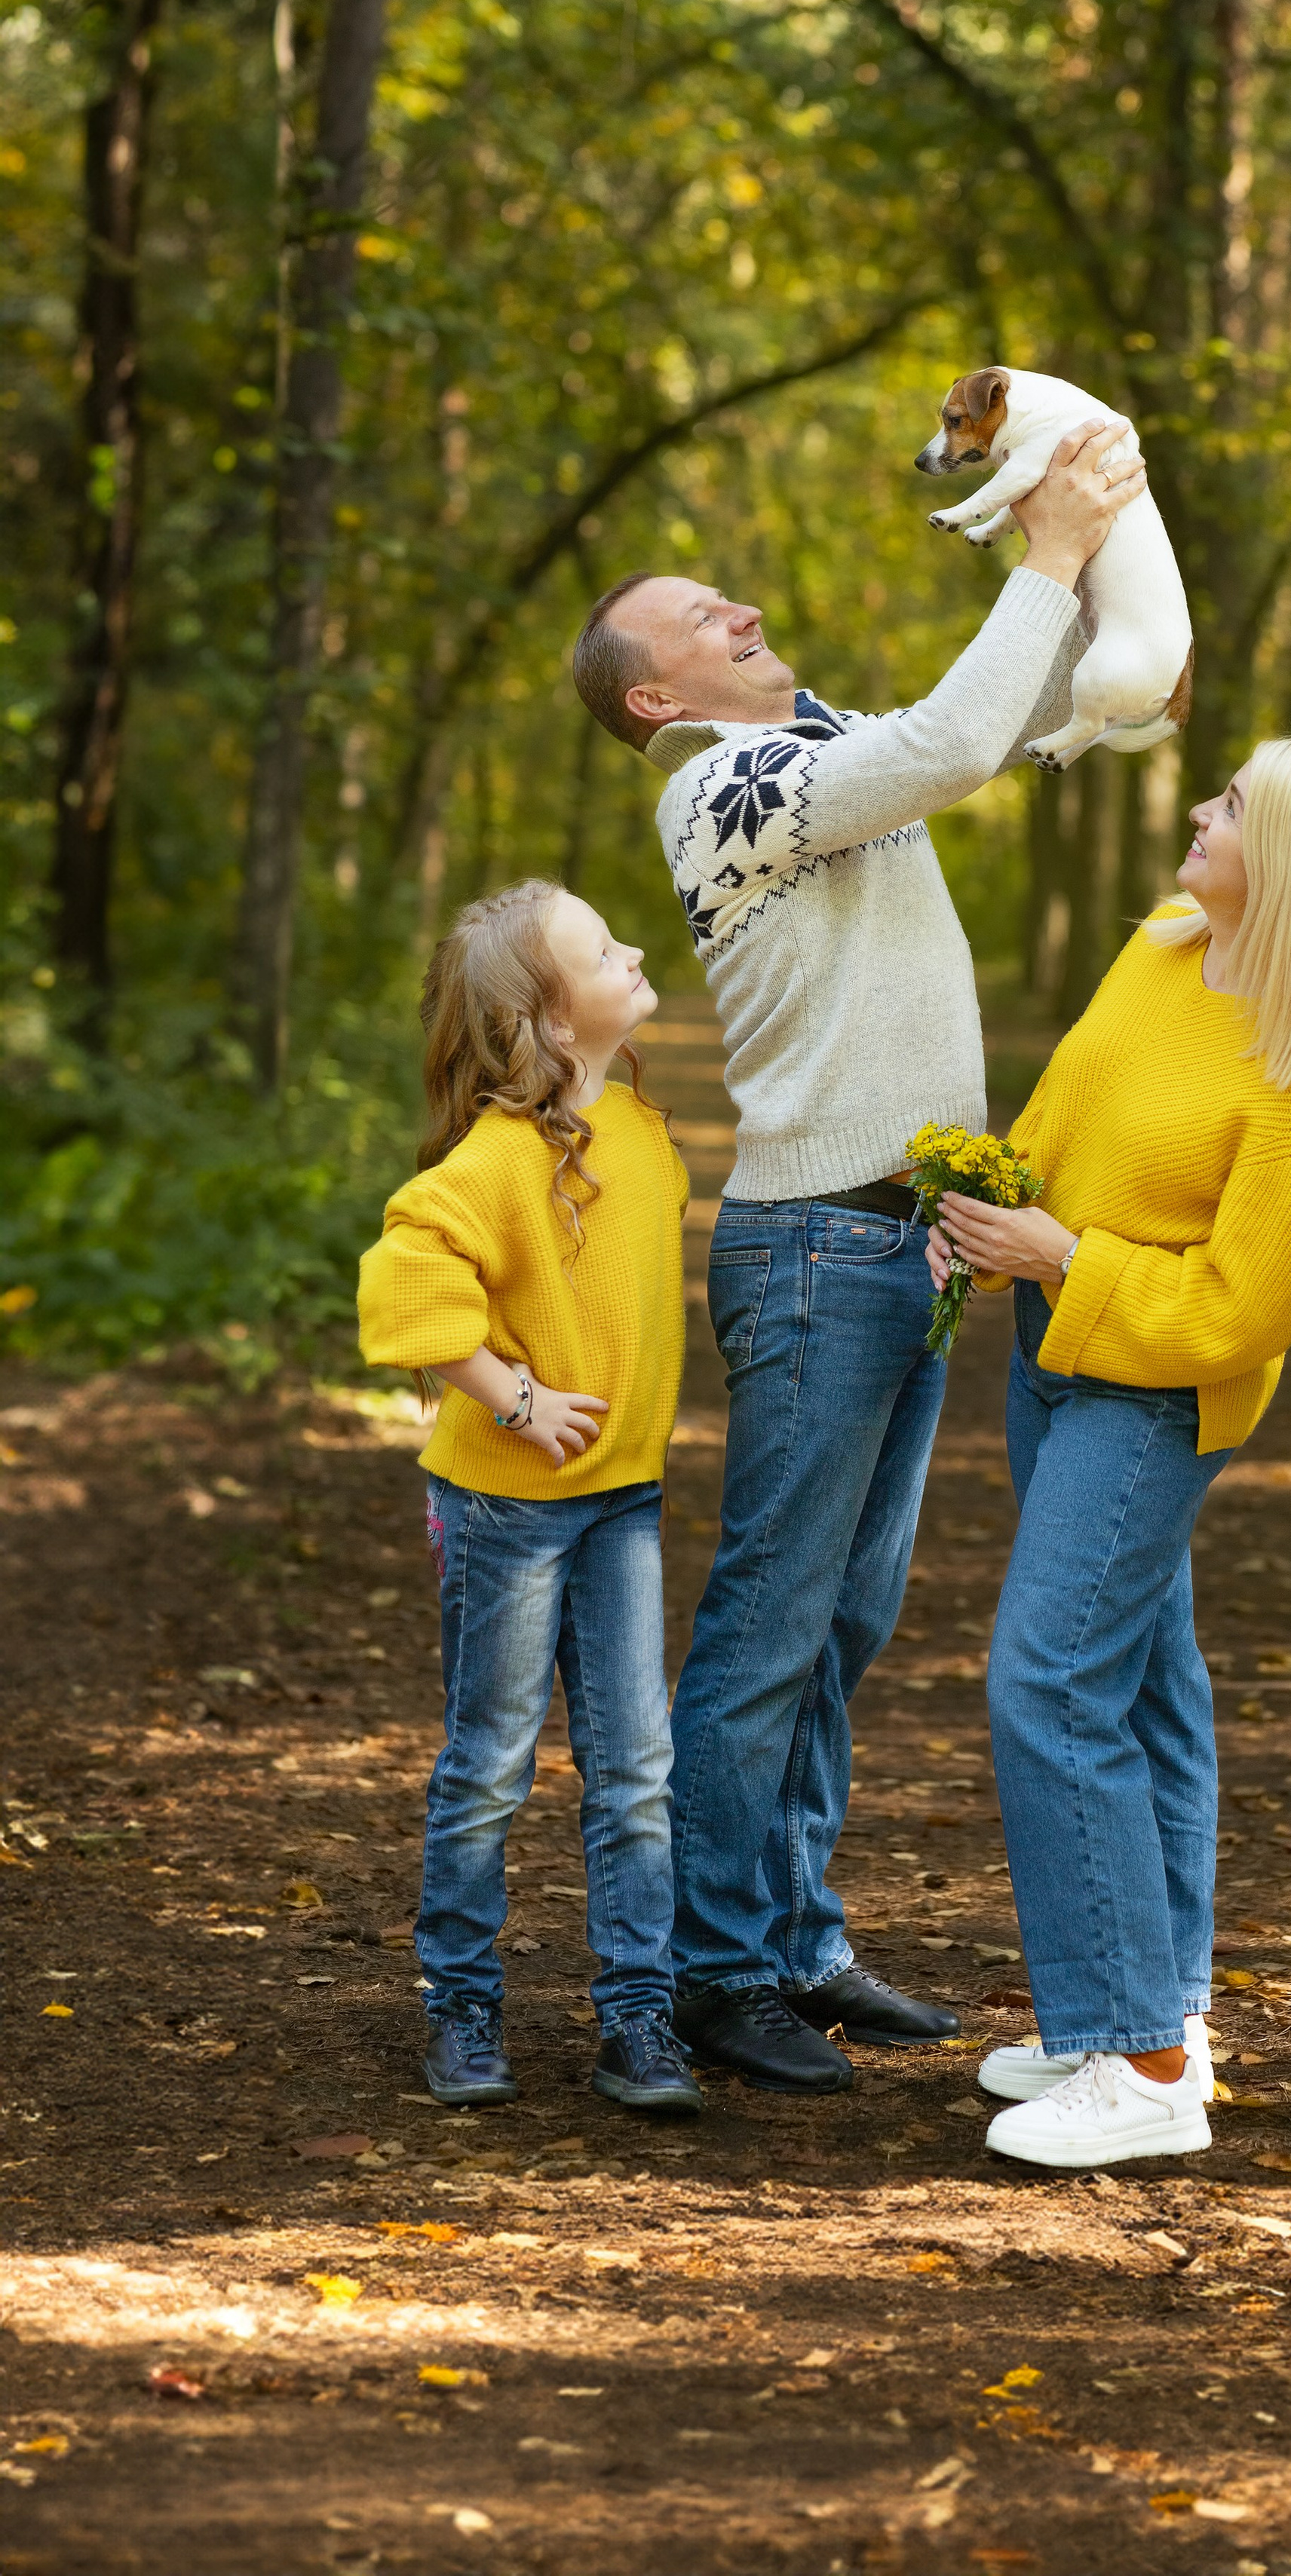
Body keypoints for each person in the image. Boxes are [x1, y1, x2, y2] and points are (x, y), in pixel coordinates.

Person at [569, 423, 1144, 2091]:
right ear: (655, 698)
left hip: (911, 1250)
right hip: (818, 1250)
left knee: (845, 1625)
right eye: (702, 615)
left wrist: (1109, 648)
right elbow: (954, 742)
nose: (740, 607)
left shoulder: (814, 745)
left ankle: (794, 1937)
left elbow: (990, 720)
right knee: (770, 1623)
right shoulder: (722, 788)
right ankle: (714, 1969)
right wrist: (1045, 555)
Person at [930, 740, 1291, 2169]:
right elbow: (1062, 1112)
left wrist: (1063, 1257)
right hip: (1050, 1351)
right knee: (1143, 1683)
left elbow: (1236, 1316)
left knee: (1047, 1677)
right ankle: (1159, 2014)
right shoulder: (1161, 946)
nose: (1202, 810)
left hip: (1148, 1402)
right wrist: (991, 1213)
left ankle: (1138, 2067)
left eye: (1235, 806)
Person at [357, 881, 700, 2118]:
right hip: (506, 1509)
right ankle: (461, 2002)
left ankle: (639, 2013)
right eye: (605, 951)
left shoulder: (643, 1132)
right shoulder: (498, 1158)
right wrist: (515, 1397)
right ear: (554, 1023)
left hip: (622, 1502)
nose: (636, 949)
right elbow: (402, 1286)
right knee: (493, 1761)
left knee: (636, 1768)